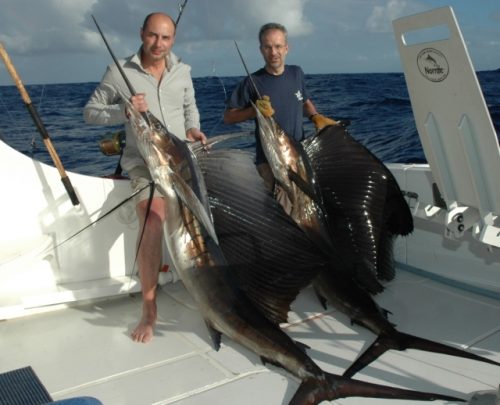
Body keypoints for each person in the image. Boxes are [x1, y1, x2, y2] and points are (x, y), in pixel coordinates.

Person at [84, 12, 207, 343]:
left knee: (206, 223)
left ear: (173, 40)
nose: (158, 44)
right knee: (152, 222)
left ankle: (209, 290)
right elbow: (90, 112)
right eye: (153, 36)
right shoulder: (119, 72)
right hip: (145, 165)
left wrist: (194, 128)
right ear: (141, 33)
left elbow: (189, 108)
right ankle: (149, 308)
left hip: (181, 161)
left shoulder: (183, 71)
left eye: (165, 38)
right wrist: (122, 110)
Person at [223, 22, 339, 191]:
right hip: (270, 161)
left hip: (299, 156)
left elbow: (304, 102)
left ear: (286, 48)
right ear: (261, 50)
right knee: (280, 211)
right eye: (268, 47)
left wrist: (315, 116)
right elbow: (228, 117)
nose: (273, 53)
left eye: (278, 46)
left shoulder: (296, 73)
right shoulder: (252, 82)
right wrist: (254, 110)